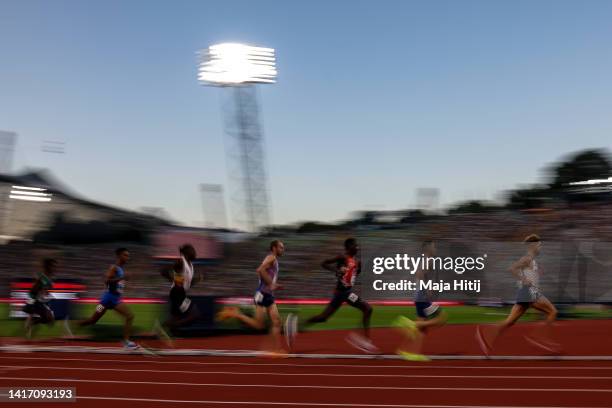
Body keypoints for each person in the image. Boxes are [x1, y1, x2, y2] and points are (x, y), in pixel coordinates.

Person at [476, 234, 559, 356]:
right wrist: (523, 279)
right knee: (553, 312)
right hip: (529, 291)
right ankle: (539, 337)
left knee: (509, 322)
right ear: (533, 245)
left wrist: (534, 274)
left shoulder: (532, 260)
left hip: (526, 292)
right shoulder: (527, 258)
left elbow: (526, 272)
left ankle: (486, 334)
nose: (540, 248)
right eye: (539, 245)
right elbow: (512, 268)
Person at [304, 238, 378, 354]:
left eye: (358, 246)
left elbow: (355, 274)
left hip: (341, 293)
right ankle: (365, 341)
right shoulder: (342, 257)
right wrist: (337, 270)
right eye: (355, 246)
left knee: (323, 317)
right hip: (344, 293)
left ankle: (300, 323)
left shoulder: (358, 262)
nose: (357, 247)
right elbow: (324, 263)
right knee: (368, 308)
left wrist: (352, 272)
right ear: (348, 248)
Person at [217, 240, 290, 354]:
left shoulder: (272, 259)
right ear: (274, 248)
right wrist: (272, 284)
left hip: (269, 295)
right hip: (262, 294)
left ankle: (277, 350)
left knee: (276, 322)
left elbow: (264, 272)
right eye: (281, 247)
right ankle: (235, 313)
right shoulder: (272, 258)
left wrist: (272, 285)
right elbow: (260, 270)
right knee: (259, 325)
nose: (283, 250)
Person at [71, 248, 138, 349]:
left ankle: (126, 342)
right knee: (93, 320)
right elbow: (107, 281)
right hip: (107, 300)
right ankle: (76, 324)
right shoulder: (114, 268)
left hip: (115, 300)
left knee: (129, 316)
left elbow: (118, 284)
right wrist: (122, 278)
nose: (127, 258)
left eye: (128, 255)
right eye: (125, 255)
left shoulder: (121, 269)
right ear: (119, 256)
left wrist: (126, 285)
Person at [393, 240, 447, 361]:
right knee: (442, 318)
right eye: (434, 247)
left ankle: (407, 351)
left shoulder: (425, 259)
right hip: (422, 296)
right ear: (428, 249)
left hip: (419, 296)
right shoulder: (428, 259)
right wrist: (427, 288)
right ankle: (408, 323)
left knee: (422, 329)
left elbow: (419, 274)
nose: (435, 249)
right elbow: (419, 274)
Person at [156, 244, 200, 343]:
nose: (195, 253)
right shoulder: (181, 262)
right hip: (177, 293)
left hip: (180, 292)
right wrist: (174, 280)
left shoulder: (191, 265)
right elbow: (163, 271)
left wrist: (197, 280)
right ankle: (165, 327)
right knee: (195, 315)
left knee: (176, 317)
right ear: (187, 253)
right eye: (193, 250)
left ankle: (162, 328)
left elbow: (187, 285)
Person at [23, 258, 58, 339]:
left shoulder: (48, 277)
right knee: (45, 318)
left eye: (55, 266)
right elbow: (34, 289)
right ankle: (29, 330)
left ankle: (32, 323)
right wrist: (36, 298)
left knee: (50, 320)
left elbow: (45, 289)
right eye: (53, 266)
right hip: (35, 299)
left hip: (39, 299)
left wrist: (46, 292)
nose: (55, 268)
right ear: (48, 267)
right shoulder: (43, 277)